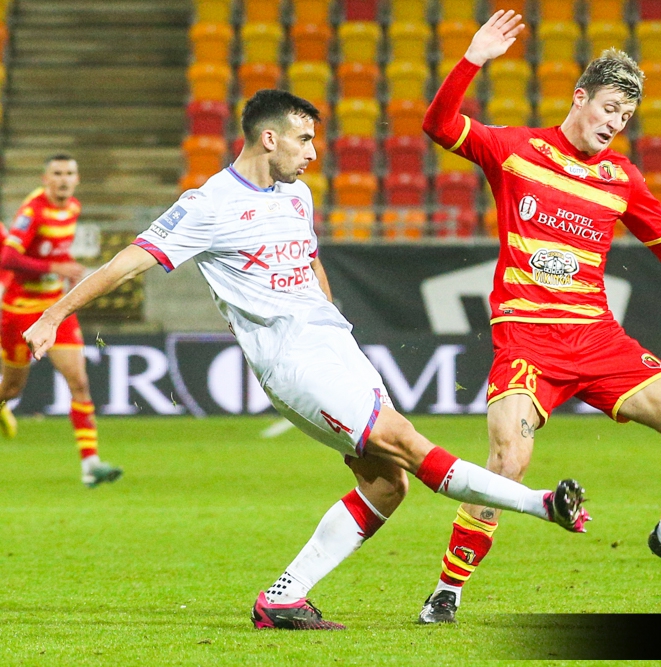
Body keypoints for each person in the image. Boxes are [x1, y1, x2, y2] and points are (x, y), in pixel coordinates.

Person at [23, 89, 591, 631]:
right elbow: (126, 262)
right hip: (293, 362)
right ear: (268, 138)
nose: (314, 153)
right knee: (408, 444)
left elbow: (310, 259)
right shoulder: (207, 205)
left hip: (335, 347)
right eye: (304, 140)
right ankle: (543, 504)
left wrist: (330, 317)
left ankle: (283, 598)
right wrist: (53, 315)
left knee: (388, 484)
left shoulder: (296, 195)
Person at [416, 11, 661, 624]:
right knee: (508, 463)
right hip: (528, 344)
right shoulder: (514, 151)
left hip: (598, 339)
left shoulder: (621, 179)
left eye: (626, 117)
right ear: (579, 97)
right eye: (609, 108)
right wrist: (473, 58)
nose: (615, 123)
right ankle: (447, 591)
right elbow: (438, 125)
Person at [0, 155, 122, 488]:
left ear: (77, 179)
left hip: (55, 310)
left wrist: (66, 267)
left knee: (79, 382)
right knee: (11, 389)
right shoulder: (33, 212)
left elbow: (54, 252)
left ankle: (90, 465)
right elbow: (8, 257)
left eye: (69, 173)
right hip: (20, 310)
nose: (64, 179)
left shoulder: (72, 209)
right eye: (57, 173)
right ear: (45, 179)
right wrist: (55, 267)